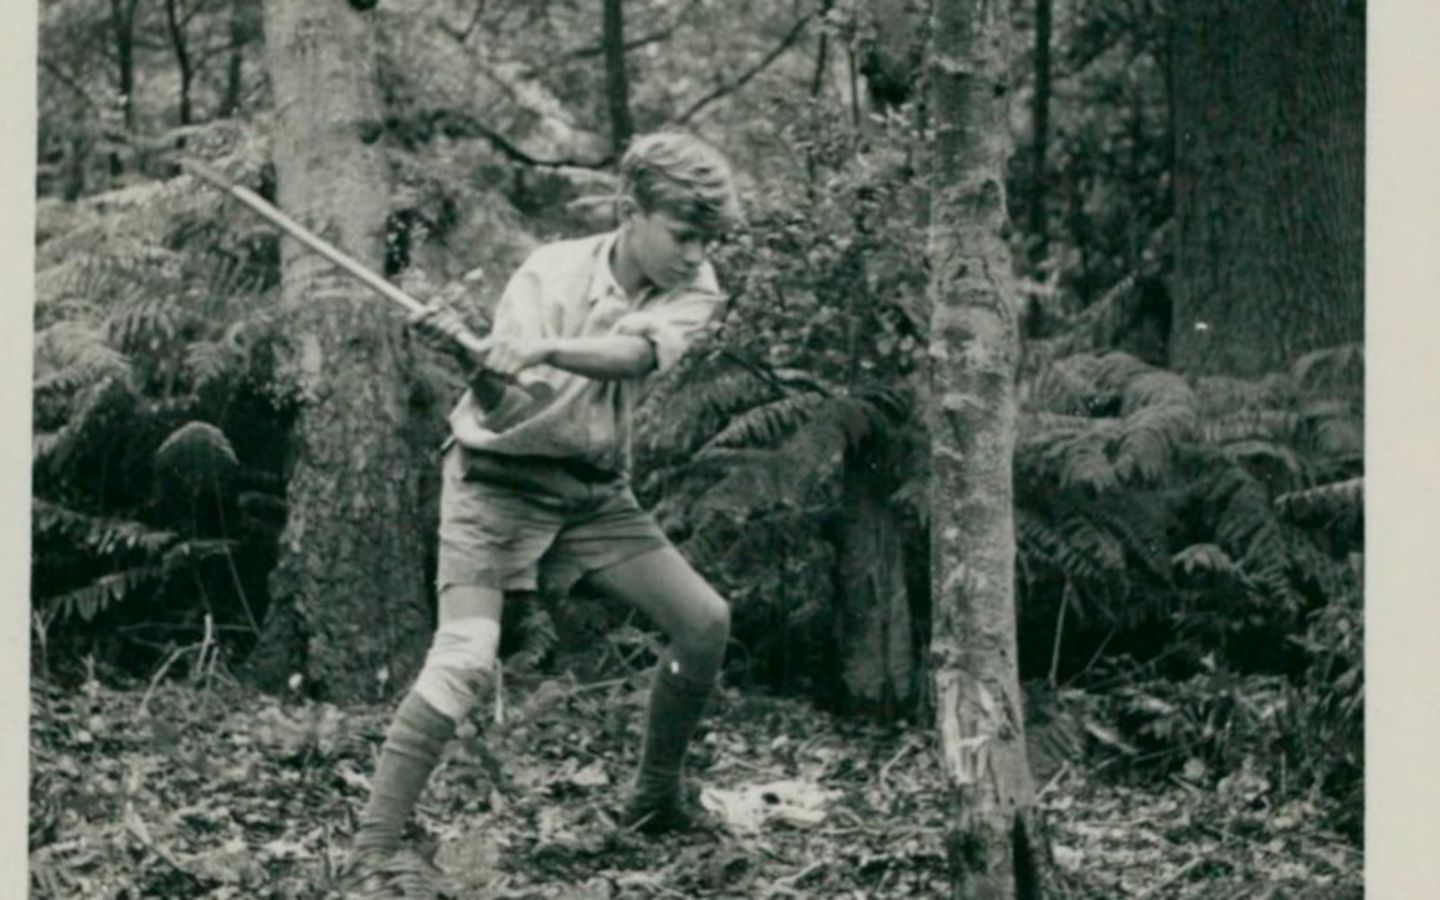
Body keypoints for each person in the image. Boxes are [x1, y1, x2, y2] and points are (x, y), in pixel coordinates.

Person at [343, 132, 743, 890]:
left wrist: (543, 350)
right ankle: (374, 846)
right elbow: (498, 404)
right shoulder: (547, 270)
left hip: (593, 494)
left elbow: (634, 356)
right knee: (463, 660)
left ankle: (655, 797)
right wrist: (473, 359)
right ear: (631, 211)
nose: (696, 253)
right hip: (495, 486)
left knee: (704, 622)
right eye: (683, 234)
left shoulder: (696, 288)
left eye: (707, 238)